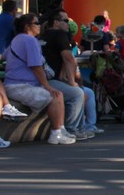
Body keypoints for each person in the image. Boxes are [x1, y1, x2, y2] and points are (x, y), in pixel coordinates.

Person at [2, 13, 76, 146]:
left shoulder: (16, 39)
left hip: (14, 84)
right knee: (55, 96)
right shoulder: (30, 41)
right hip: (21, 86)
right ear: (27, 26)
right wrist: (47, 86)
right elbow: (36, 66)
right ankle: (56, 133)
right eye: (36, 23)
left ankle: (60, 130)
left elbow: (4, 56)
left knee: (57, 95)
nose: (40, 25)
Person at [41, 8, 102, 137]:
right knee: (77, 93)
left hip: (49, 79)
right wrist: (72, 81)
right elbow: (69, 58)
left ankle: (83, 127)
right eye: (66, 20)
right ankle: (72, 128)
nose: (68, 23)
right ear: (56, 22)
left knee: (86, 92)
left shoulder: (43, 36)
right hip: (50, 80)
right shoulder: (59, 34)